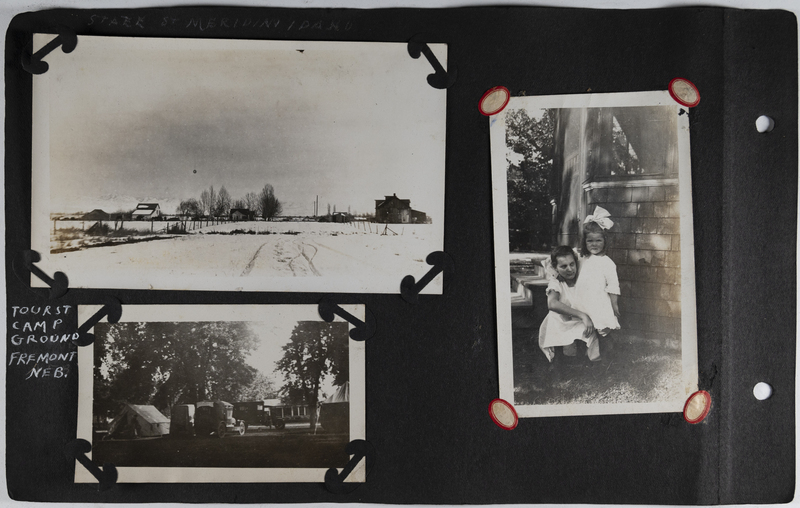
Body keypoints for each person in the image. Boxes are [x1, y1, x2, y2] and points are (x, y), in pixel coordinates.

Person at [538, 245, 600, 363]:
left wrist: (584, 317)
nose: (570, 269)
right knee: (554, 318)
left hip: (578, 320)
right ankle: (559, 361)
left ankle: (584, 360)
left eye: (572, 264)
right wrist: (583, 315)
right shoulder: (556, 282)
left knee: (588, 331)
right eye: (563, 266)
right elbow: (552, 304)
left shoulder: (581, 277)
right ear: (555, 268)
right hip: (561, 322)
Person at [575, 206, 621, 353]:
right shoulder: (583, 258)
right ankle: (588, 359)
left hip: (599, 302)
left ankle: (608, 361)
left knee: (603, 331)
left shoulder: (607, 262)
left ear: (605, 241)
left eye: (598, 240)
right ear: (585, 242)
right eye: (590, 241)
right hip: (583, 301)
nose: (594, 244)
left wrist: (614, 306)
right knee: (584, 330)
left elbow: (613, 286)